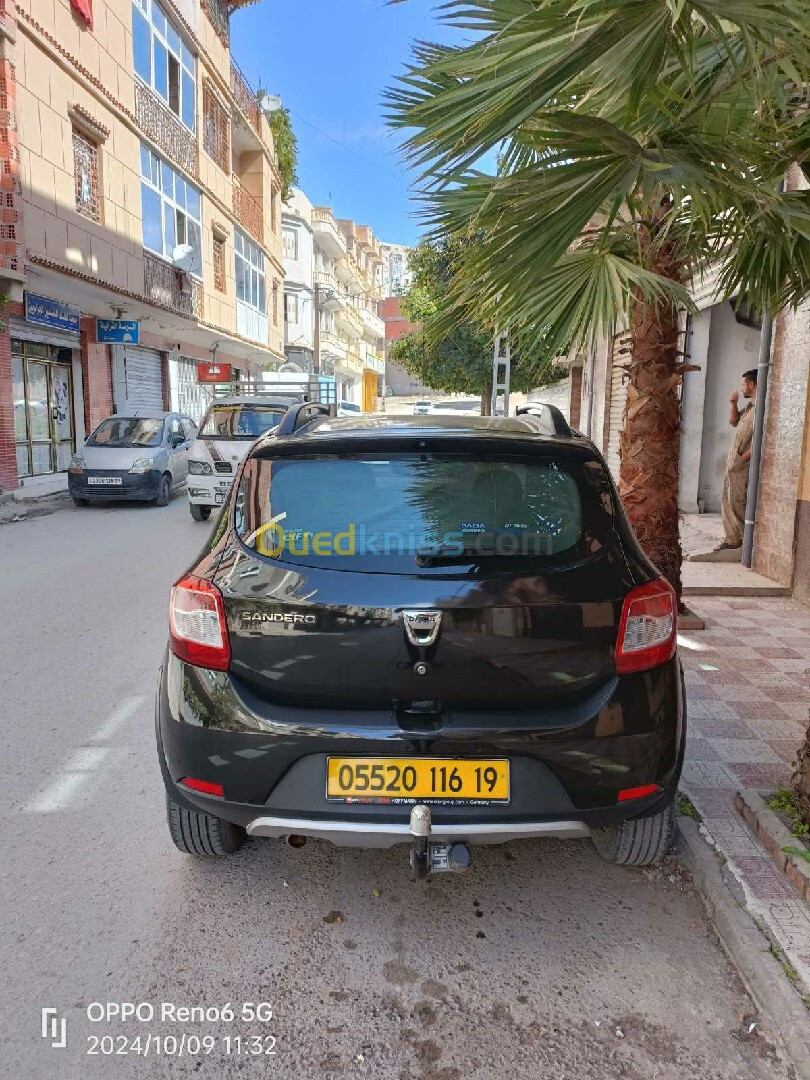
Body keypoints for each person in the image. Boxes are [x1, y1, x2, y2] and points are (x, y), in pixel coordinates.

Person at [717, 368, 758, 551]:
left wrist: (744, 458)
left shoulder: (761, 408)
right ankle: (732, 539)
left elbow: (762, 438)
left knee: (737, 500)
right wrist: (733, 403)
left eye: (743, 385)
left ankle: (743, 542)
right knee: (727, 500)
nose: (741, 388)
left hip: (743, 464)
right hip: (734, 463)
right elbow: (733, 421)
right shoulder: (749, 407)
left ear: (751, 385)